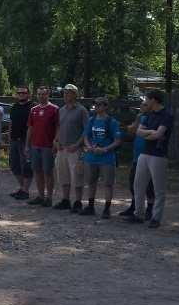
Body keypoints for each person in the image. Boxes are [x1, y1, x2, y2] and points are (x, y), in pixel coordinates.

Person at [127, 89, 174, 228]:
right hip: (145, 153)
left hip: (158, 155)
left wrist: (149, 133)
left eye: (146, 99)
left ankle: (156, 218)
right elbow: (139, 131)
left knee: (158, 189)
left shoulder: (167, 115)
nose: (145, 102)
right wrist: (150, 132)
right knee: (138, 185)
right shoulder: (148, 114)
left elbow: (158, 135)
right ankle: (139, 214)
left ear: (153, 100)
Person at [81, 98, 122, 218]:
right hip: (91, 157)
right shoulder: (91, 120)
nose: (97, 106)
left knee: (108, 184)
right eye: (95, 104)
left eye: (100, 104)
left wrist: (105, 149)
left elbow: (117, 141)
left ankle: (107, 209)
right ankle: (90, 206)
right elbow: (86, 137)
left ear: (106, 106)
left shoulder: (112, 122)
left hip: (107, 158)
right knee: (91, 182)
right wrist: (89, 147)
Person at [53, 84, 89, 212]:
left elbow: (86, 130)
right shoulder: (61, 110)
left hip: (75, 148)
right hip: (62, 148)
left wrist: (78, 144)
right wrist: (56, 140)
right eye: (64, 93)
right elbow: (58, 127)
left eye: (68, 92)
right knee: (63, 175)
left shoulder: (81, 110)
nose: (65, 95)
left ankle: (78, 201)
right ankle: (65, 199)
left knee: (77, 176)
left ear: (75, 94)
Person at [119, 100, 155, 219]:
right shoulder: (140, 117)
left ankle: (150, 208)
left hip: (149, 155)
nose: (141, 107)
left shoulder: (153, 119)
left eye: (144, 105)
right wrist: (138, 119)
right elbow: (131, 131)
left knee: (149, 184)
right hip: (137, 156)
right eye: (141, 104)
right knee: (133, 181)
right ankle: (134, 206)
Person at [26, 87, 59, 207]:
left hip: (48, 146)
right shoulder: (33, 110)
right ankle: (40, 196)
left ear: (48, 94)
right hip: (35, 145)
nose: (41, 96)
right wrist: (27, 145)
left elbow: (58, 127)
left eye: (43, 94)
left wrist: (56, 141)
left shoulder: (54, 109)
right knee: (37, 171)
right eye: (39, 94)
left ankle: (49, 197)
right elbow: (30, 127)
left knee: (48, 172)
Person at [8, 86, 33, 200]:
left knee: (26, 166)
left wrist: (29, 143)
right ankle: (22, 187)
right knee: (14, 165)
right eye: (19, 93)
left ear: (28, 94)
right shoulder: (14, 107)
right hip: (14, 139)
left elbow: (32, 126)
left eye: (23, 93)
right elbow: (11, 123)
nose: (21, 94)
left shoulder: (32, 107)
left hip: (26, 140)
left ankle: (25, 190)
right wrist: (9, 138)